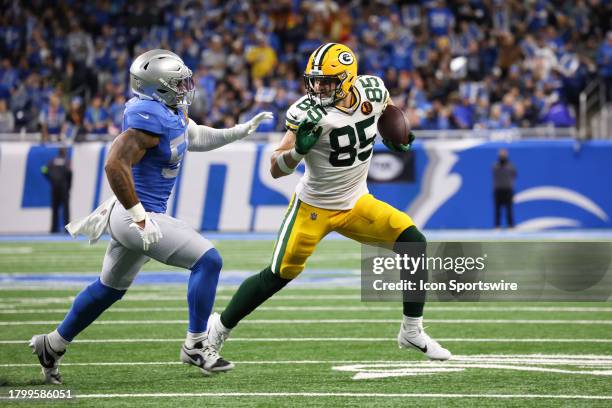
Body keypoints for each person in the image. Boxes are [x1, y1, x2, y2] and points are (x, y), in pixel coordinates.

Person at [29, 49, 273, 384]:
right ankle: (196, 345)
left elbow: (193, 136)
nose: (186, 86)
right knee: (209, 261)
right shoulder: (146, 116)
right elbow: (115, 164)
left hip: (136, 215)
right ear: (157, 87)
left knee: (108, 290)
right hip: (135, 216)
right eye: (178, 82)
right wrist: (140, 217)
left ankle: (52, 344)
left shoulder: (169, 111)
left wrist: (238, 131)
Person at [206, 43, 451, 365]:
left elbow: (388, 113)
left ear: (349, 79)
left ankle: (412, 330)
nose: (319, 88)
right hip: (313, 207)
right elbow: (276, 168)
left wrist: (395, 136)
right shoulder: (305, 113)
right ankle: (218, 328)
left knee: (414, 243)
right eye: (315, 81)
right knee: (279, 274)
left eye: (328, 81)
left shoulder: (373, 89)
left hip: (356, 201)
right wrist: (297, 152)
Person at [41, 147, 72, 233]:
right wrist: (68, 186)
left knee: (55, 209)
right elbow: (69, 173)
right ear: (64, 153)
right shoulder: (66, 162)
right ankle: (67, 229)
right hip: (64, 188)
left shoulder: (52, 161)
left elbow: (43, 170)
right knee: (66, 209)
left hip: (54, 187)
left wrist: (51, 179)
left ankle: (54, 229)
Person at [493, 148, 517, 228]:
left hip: (508, 190)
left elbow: (514, 175)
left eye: (504, 154)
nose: (502, 156)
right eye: (501, 154)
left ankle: (510, 226)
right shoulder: (495, 165)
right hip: (498, 190)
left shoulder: (511, 166)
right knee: (498, 210)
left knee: (509, 209)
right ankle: (497, 226)